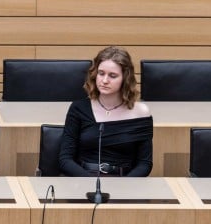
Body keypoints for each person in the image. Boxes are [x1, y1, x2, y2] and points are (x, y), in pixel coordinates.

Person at [59, 46, 152, 177]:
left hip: (124, 183)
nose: (104, 80)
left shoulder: (141, 112)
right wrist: (93, 184)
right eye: (101, 73)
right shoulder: (79, 108)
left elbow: (144, 164)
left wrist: (123, 187)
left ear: (125, 78)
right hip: (84, 181)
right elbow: (65, 160)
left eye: (112, 76)